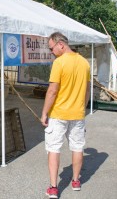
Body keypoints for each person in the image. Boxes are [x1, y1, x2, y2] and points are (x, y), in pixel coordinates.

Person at [41, 32, 90, 198]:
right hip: (78, 113)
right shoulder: (84, 63)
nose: (51, 52)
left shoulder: (59, 63)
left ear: (60, 44)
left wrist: (44, 113)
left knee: (54, 148)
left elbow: (53, 91)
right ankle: (76, 181)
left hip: (59, 114)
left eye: (51, 48)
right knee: (77, 146)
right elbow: (88, 89)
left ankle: (54, 187)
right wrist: (82, 106)